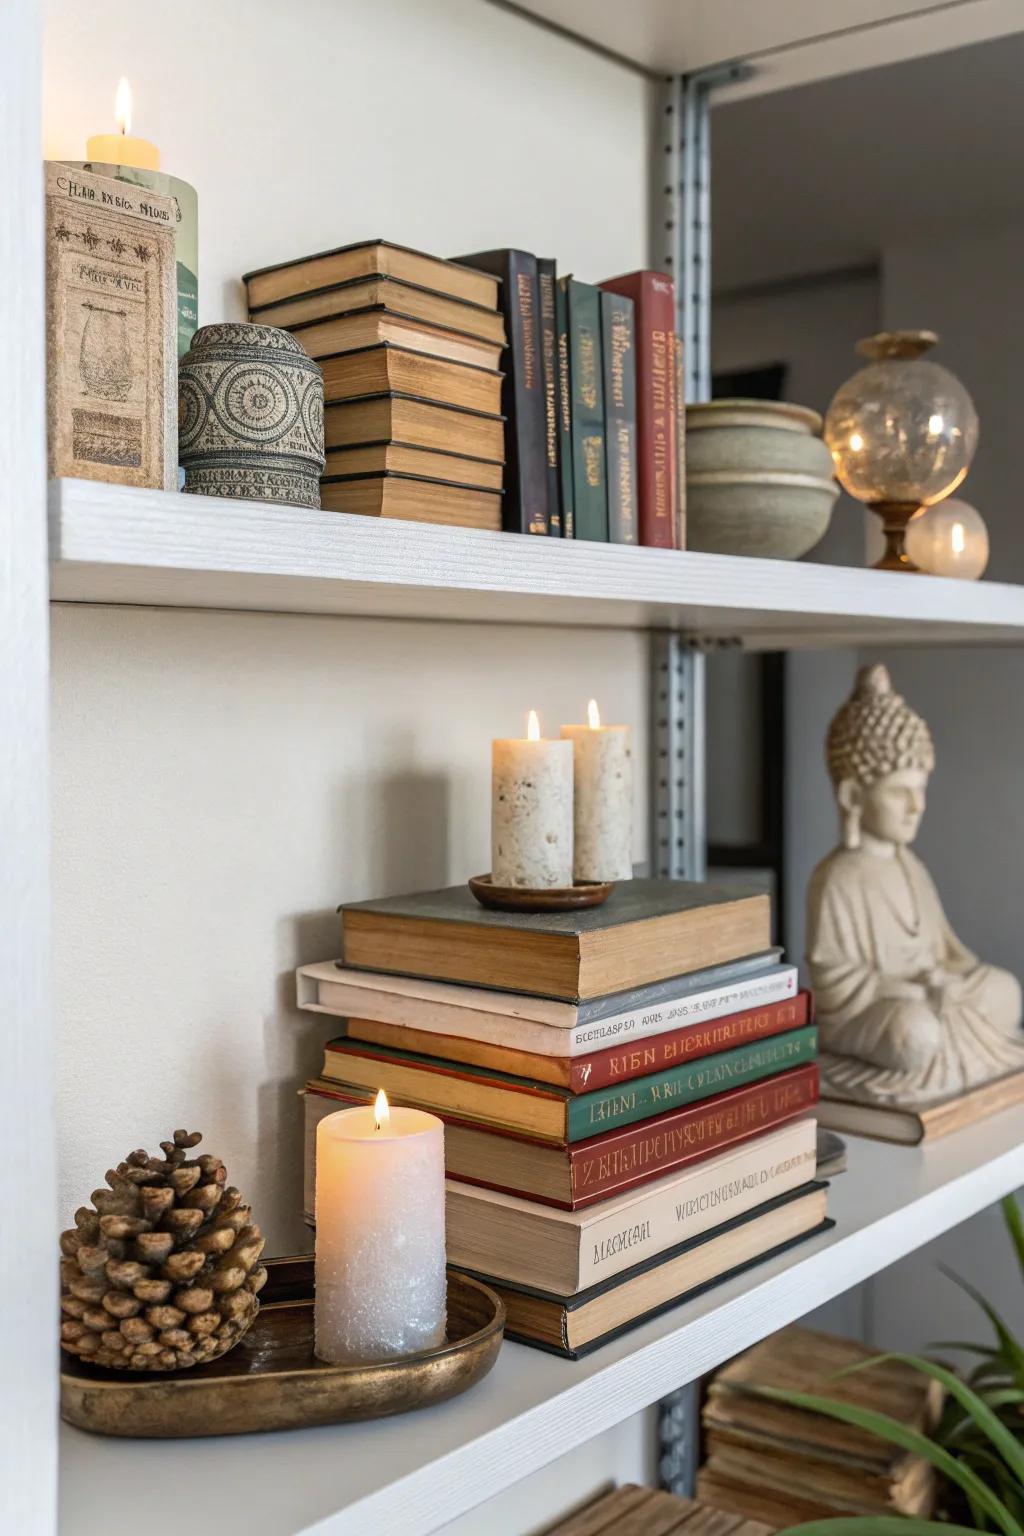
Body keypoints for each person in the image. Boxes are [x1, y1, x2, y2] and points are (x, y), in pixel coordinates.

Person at [807, 663, 1023, 1104]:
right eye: (899, 792)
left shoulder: (913, 868)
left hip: (930, 991)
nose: (917, 806)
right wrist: (912, 990)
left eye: (921, 790)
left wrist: (948, 980)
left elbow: (946, 951)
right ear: (852, 796)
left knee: (1006, 991)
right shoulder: (837, 877)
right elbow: (833, 980)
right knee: (916, 1035)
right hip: (877, 1011)